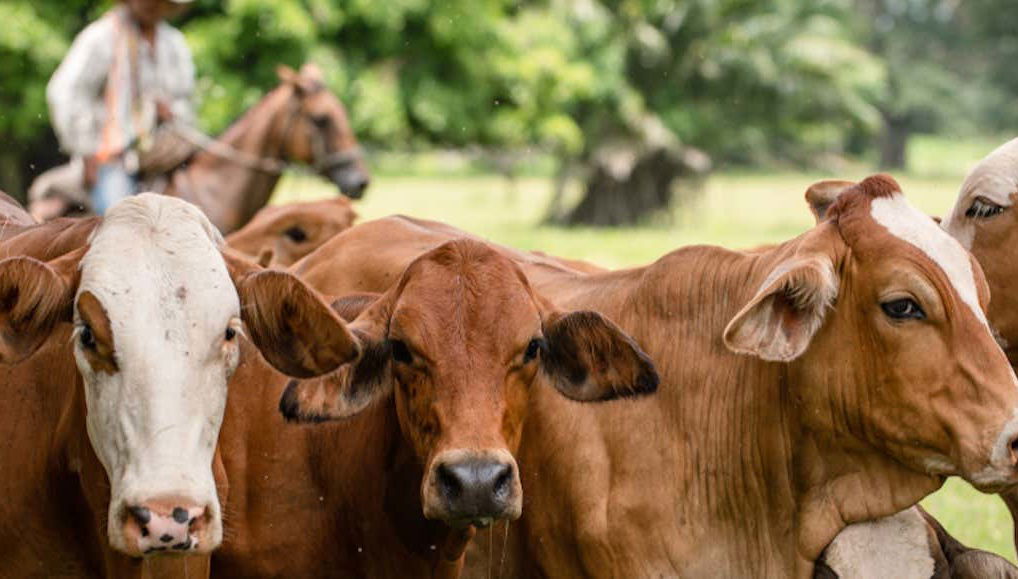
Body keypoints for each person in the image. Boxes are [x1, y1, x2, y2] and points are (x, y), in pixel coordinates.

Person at [39, 0, 196, 218]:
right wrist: (87, 150)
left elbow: (185, 99)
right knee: (123, 218)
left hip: (166, 152)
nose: (152, 5)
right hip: (113, 158)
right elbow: (66, 94)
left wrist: (171, 112)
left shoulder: (174, 43)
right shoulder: (101, 37)